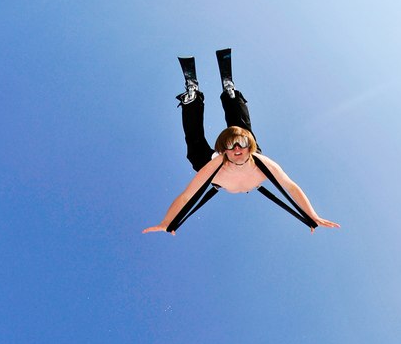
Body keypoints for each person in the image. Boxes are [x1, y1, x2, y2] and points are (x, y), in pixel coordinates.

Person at [143, 49, 339, 236]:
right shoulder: (233, 164)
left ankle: (192, 99)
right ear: (224, 152)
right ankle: (232, 95)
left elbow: (291, 188)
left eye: (239, 145)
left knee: (199, 150)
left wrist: (312, 216)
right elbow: (187, 197)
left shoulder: (259, 164)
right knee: (240, 131)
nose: (236, 149)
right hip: (223, 165)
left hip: (227, 168)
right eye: (230, 146)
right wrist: (167, 221)